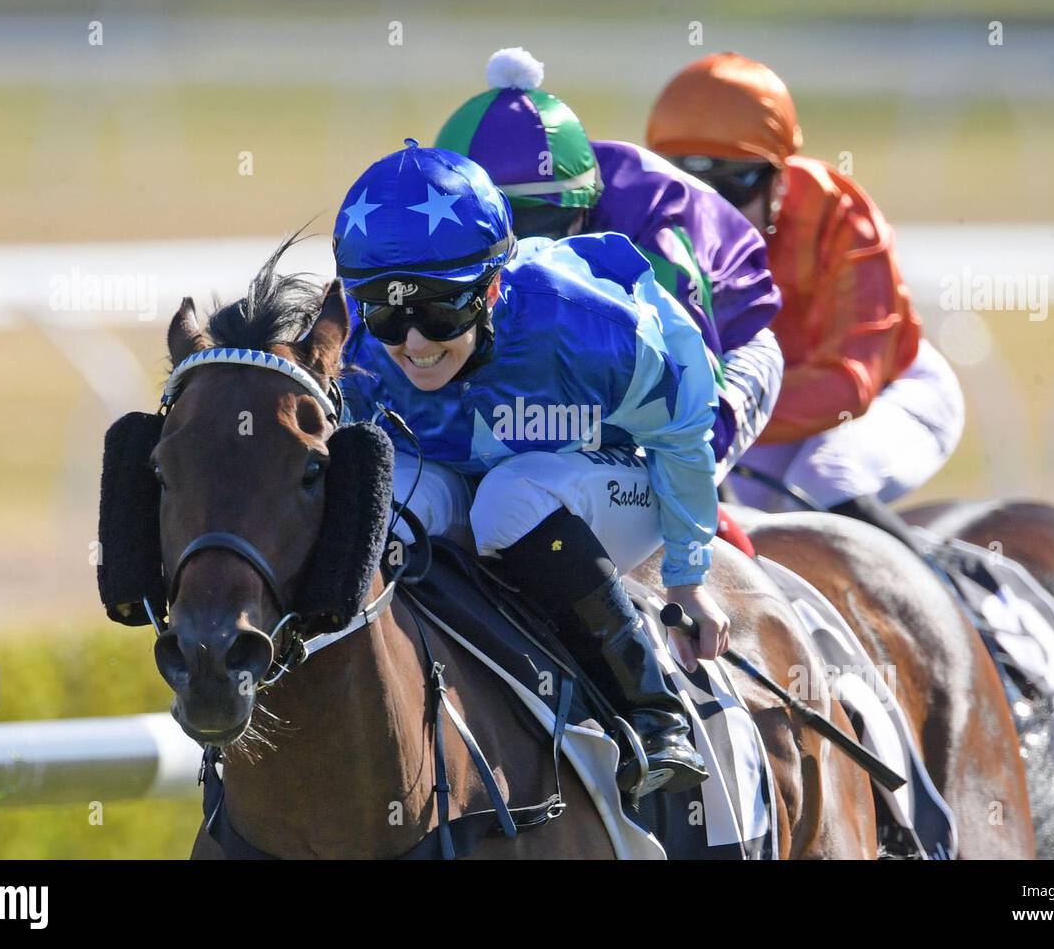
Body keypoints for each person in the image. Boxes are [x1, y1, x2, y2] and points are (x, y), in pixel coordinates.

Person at [334, 140, 730, 794]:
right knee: (389, 506)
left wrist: (689, 575)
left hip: (603, 473)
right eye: (384, 312)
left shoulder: (587, 328)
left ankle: (654, 715)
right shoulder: (349, 345)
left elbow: (686, 435)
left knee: (509, 498)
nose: (412, 342)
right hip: (458, 473)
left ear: (492, 288)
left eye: (440, 309)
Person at [646, 53, 965, 553]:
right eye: (687, 184)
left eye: (735, 184)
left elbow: (850, 383)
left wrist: (705, 414)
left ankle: (964, 616)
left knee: (826, 479)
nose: (711, 215)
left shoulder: (839, 215)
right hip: (756, 407)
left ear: (781, 178)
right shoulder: (649, 228)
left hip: (890, 392)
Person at [434, 47, 785, 485]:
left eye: (540, 230)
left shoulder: (653, 235)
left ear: (585, 208)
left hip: (722, 343)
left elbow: (693, 401)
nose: (519, 255)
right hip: (585, 340)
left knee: (671, 462)